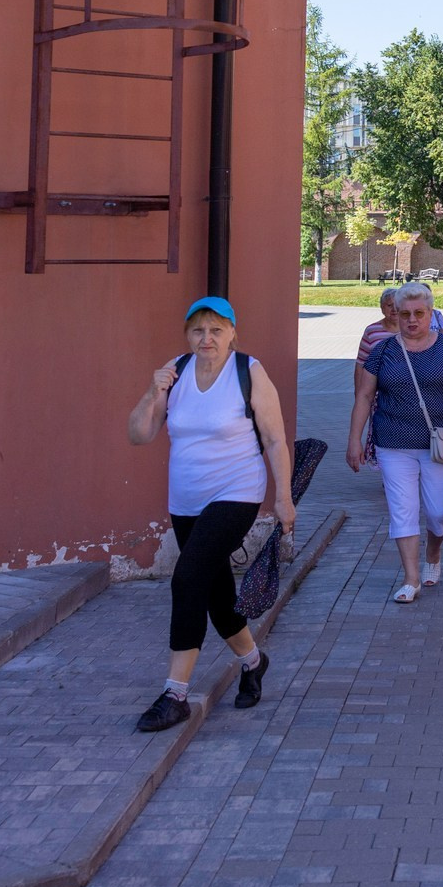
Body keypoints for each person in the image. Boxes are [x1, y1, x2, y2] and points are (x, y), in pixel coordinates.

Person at [124, 296, 295, 732]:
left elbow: (275, 440)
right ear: (187, 334)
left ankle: (175, 694)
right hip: (185, 500)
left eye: (217, 330)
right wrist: (151, 391)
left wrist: (283, 498)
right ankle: (253, 663)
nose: (207, 338)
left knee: (187, 579)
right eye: (198, 330)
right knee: (217, 595)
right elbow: (139, 436)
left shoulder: (248, 372)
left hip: (236, 491)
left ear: (233, 332)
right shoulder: (175, 372)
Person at [347, 281, 443, 603]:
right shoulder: (383, 351)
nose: (411, 320)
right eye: (404, 313)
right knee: (402, 511)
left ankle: (432, 555)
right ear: (395, 314)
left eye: (419, 313)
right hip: (393, 444)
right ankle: (411, 579)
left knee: (439, 512)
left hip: (440, 445)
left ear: (430, 313)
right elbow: (365, 396)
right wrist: (354, 439)